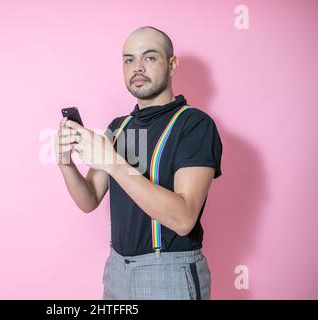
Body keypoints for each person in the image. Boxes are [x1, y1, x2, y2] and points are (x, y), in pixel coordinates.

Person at [55, 26, 223, 300]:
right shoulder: (120, 128)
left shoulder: (194, 124)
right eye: (129, 59)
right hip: (117, 270)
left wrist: (113, 163)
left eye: (150, 57)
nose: (137, 67)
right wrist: (65, 164)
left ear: (172, 64)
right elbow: (89, 200)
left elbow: (183, 219)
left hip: (169, 273)